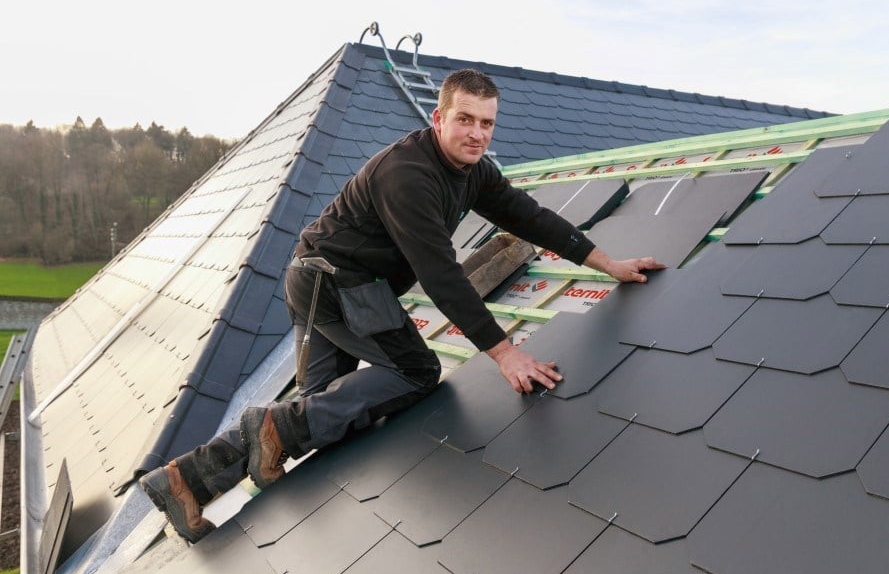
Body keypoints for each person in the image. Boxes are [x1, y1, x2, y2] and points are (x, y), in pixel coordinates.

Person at [140, 69, 665, 542]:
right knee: (415, 371)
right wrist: (506, 354)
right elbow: (440, 274)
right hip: (339, 284)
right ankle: (265, 433)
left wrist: (608, 264)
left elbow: (530, 217)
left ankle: (183, 481)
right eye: (465, 119)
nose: (477, 133)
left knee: (321, 414)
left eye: (487, 123)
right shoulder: (409, 175)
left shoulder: (475, 171)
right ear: (438, 118)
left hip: (316, 278)